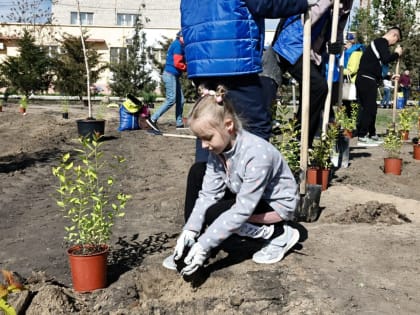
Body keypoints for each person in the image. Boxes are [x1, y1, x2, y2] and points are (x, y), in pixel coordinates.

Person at [163, 86, 300, 275]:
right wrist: (190, 230)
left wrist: (206, 244)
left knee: (215, 213)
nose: (203, 145)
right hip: (245, 193)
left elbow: (242, 209)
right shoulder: (219, 150)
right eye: (199, 138)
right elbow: (208, 194)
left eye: (207, 138)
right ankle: (190, 245)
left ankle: (277, 233)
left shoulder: (257, 154)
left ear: (228, 126)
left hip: (273, 204)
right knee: (197, 172)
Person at [181, 0, 317, 161]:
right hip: (232, 55)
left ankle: (206, 181)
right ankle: (253, 178)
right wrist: (301, 2)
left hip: (200, 59)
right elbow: (264, 4)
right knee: (257, 126)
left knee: (210, 122)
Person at [260, 0, 353, 147]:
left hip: (311, 53)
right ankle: (297, 141)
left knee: (314, 91)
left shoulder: (344, 7)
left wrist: (336, 46)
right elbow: (307, 16)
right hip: (290, 45)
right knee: (317, 87)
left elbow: (337, 31)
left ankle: (301, 142)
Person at [356, 27, 402, 147]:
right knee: (368, 108)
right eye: (395, 41)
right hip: (367, 79)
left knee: (371, 108)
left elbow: (374, 67)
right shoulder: (382, 42)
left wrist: (388, 77)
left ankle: (372, 134)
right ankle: (362, 136)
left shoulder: (377, 44)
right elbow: (386, 59)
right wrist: (397, 54)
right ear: (394, 35)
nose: (393, 44)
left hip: (366, 78)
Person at [146, 31, 187, 132]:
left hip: (174, 76)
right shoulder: (177, 45)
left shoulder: (179, 45)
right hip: (170, 75)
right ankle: (152, 119)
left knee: (180, 100)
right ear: (180, 37)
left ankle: (179, 123)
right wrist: (187, 68)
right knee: (171, 99)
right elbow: (177, 63)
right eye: (185, 37)